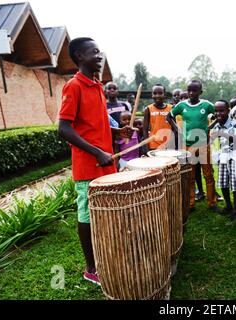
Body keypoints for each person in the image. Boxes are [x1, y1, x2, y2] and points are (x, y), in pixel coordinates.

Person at [58, 37, 133, 285]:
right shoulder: (73, 86)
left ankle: (107, 255)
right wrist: (96, 152)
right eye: (94, 52)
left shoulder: (97, 86)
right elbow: (64, 129)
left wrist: (115, 133)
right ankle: (91, 268)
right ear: (80, 56)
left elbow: (94, 124)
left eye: (99, 51)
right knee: (87, 215)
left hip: (106, 161)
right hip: (89, 165)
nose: (100, 55)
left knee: (105, 211)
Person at [167, 80, 220, 212]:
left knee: (208, 174)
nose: (191, 93)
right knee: (189, 176)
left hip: (203, 145)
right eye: (189, 90)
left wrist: (209, 127)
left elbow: (218, 114)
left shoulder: (207, 105)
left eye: (194, 90)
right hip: (187, 146)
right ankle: (190, 203)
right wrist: (178, 130)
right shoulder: (182, 105)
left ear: (200, 92)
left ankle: (212, 203)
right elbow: (169, 117)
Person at [210, 100, 236, 220]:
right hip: (224, 155)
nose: (218, 113)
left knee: (235, 184)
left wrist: (222, 134)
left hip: (235, 156)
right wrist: (216, 120)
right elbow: (208, 132)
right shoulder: (218, 124)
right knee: (223, 182)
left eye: (221, 111)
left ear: (228, 111)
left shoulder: (234, 123)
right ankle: (228, 205)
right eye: (216, 111)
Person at [143, 84, 173, 151]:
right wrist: (146, 146)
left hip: (168, 145)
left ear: (164, 94)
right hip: (153, 145)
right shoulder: (148, 109)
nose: (157, 95)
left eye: (160, 93)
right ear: (152, 95)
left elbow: (174, 127)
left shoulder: (171, 108)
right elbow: (145, 129)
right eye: (155, 93)